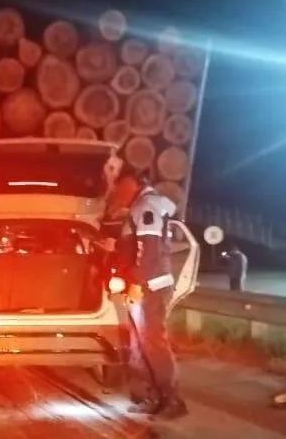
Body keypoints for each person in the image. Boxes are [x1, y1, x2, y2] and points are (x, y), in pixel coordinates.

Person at [111, 168, 188, 419]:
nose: (118, 191)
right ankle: (151, 397)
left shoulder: (146, 206)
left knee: (153, 344)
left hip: (150, 287)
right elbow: (136, 248)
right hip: (144, 285)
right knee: (139, 345)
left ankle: (172, 400)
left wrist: (136, 281)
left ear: (134, 183)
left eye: (121, 185)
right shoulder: (142, 207)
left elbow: (149, 251)